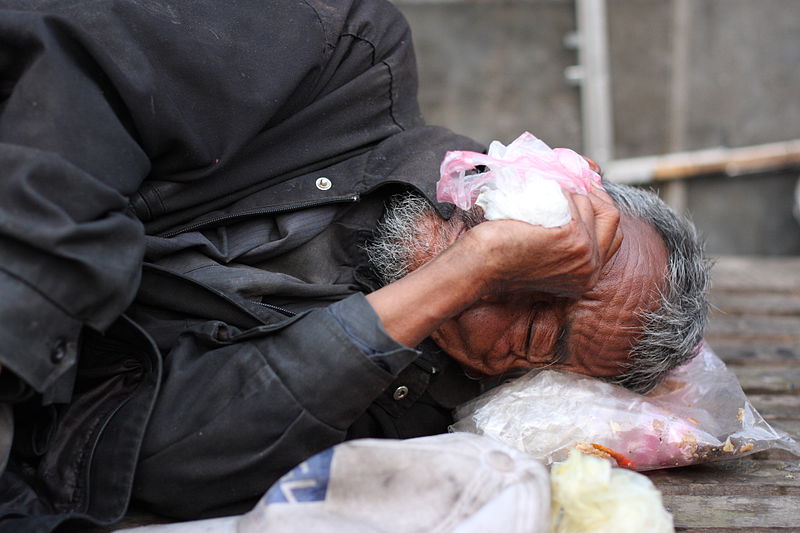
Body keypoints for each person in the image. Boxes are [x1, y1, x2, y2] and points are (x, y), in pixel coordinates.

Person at [0, 0, 710, 531]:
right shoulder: (342, 57)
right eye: (554, 253)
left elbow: (133, 458)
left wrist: (461, 271)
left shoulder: (403, 417)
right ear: (553, 188)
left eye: (539, 336)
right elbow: (74, 85)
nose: (514, 281)